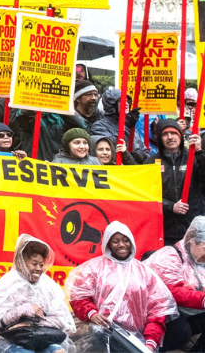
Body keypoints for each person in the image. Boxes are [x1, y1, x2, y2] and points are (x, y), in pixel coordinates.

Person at [68, 222, 177, 353]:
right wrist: (92, 314)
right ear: (108, 243)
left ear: (132, 241)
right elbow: (78, 297)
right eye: (115, 241)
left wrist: (150, 342)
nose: (121, 245)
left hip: (135, 339)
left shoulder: (145, 273)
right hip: (100, 333)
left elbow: (157, 311)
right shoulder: (93, 268)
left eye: (126, 240)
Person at [0, 235, 74, 353]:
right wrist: (25, 310)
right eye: (34, 264)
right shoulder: (6, 285)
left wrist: (35, 323)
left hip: (40, 336)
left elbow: (62, 320)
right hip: (8, 339)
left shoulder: (48, 286)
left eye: (41, 265)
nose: (38, 268)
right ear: (21, 262)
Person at [147, 215, 205, 351]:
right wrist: (202, 299)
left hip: (181, 310)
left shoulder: (199, 261)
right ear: (192, 241)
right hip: (156, 309)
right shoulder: (169, 255)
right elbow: (172, 291)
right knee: (181, 332)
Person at [145, 118, 205, 245]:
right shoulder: (151, 162)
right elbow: (147, 195)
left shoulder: (194, 157)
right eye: (165, 134)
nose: (170, 137)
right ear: (160, 138)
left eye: (173, 133)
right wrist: (171, 206)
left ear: (181, 136)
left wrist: (199, 152)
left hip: (193, 228)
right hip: (165, 229)